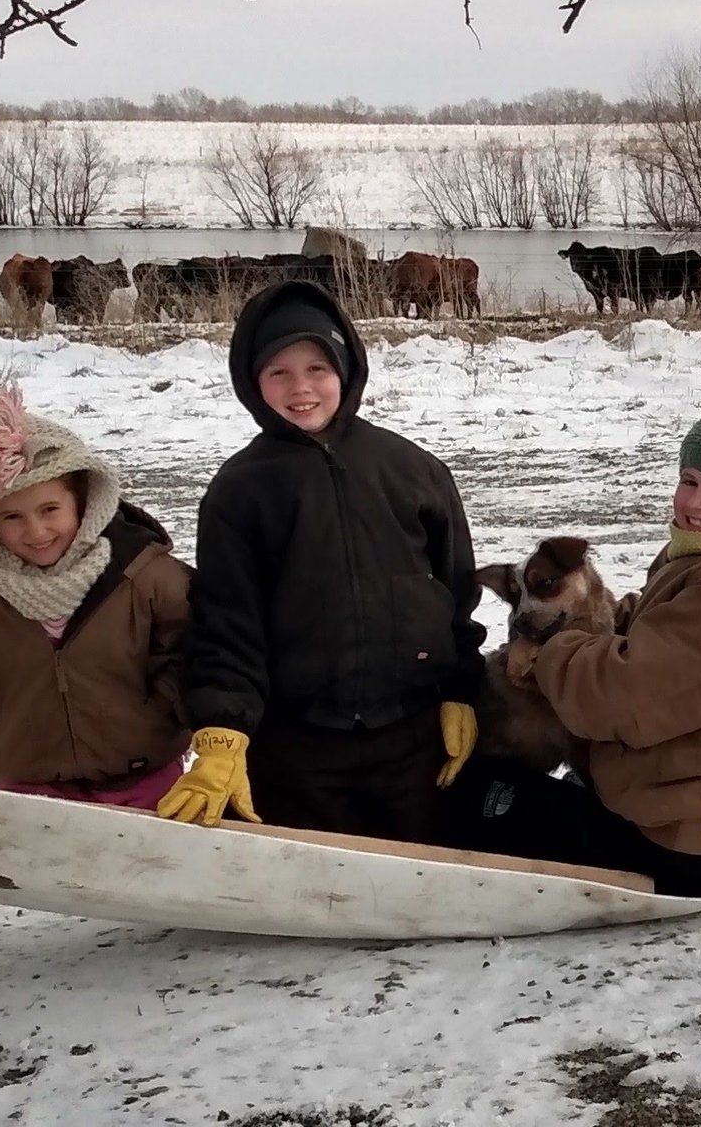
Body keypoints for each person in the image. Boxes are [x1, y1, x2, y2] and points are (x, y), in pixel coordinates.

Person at [439, 403, 701, 897]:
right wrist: (601, 620)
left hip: (696, 844)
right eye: (689, 480)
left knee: (474, 797)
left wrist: (547, 650)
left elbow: (620, 699)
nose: (696, 503)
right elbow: (661, 631)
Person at [160, 278, 484, 840]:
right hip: (295, 747)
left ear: (346, 369)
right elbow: (226, 623)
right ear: (252, 381)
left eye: (317, 369)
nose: (300, 388)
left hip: (411, 740)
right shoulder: (239, 491)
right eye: (278, 372)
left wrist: (461, 691)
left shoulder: (412, 470)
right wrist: (222, 730)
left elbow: (456, 593)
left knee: (418, 891)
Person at [0, 383, 192, 808]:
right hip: (28, 783)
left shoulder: (146, 577)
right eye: (12, 517)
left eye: (50, 510)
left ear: (82, 502)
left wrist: (161, 715)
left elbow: (190, 649)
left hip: (144, 774)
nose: (36, 532)